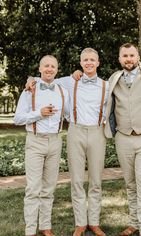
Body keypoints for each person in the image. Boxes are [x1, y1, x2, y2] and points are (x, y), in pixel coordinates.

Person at [26, 48, 108, 236]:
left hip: (97, 132)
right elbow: (44, 78)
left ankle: (94, 222)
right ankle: (80, 222)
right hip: (75, 131)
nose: (89, 63)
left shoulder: (107, 85)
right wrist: (30, 79)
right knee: (77, 180)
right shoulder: (68, 82)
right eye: (85, 60)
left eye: (92, 60)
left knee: (96, 181)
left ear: (98, 63)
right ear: (80, 63)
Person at [104, 43, 141, 236]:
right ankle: (134, 222)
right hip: (123, 137)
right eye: (125, 56)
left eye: (132, 55)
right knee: (130, 183)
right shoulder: (114, 78)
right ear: (119, 58)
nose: (128, 59)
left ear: (138, 56)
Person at [14, 55, 69, 236]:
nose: (49, 69)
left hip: (55, 141)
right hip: (35, 141)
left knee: (49, 188)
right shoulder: (30, 90)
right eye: (46, 66)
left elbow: (70, 114)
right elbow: (18, 118)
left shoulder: (63, 91)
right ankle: (30, 230)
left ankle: (45, 226)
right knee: (33, 189)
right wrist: (39, 113)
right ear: (39, 69)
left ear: (57, 70)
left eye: (53, 66)